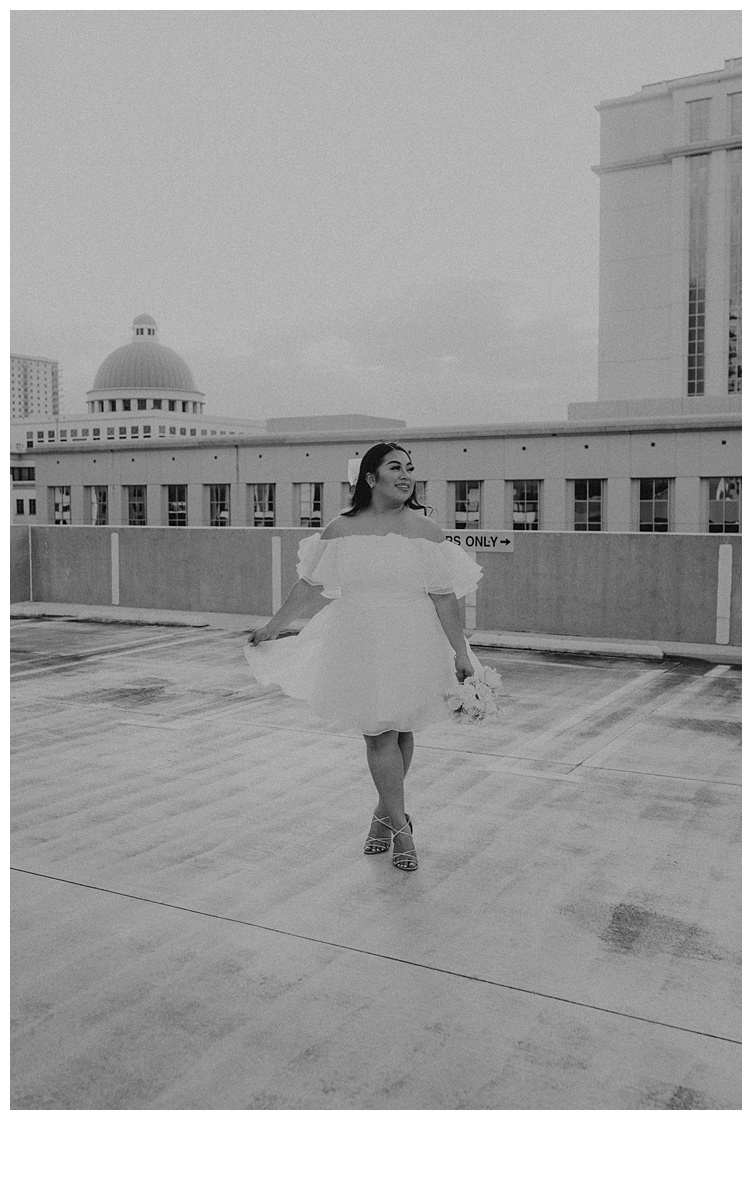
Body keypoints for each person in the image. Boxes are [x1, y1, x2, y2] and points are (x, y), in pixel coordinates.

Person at [245, 442, 482, 872]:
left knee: (402, 728)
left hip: (411, 635)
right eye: (396, 468)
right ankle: (403, 829)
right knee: (379, 734)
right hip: (358, 636)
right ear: (370, 479)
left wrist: (459, 652)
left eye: (410, 468)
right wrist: (274, 627)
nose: (407, 475)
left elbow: (445, 598)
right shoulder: (339, 529)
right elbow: (309, 586)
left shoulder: (426, 531)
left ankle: (383, 818)